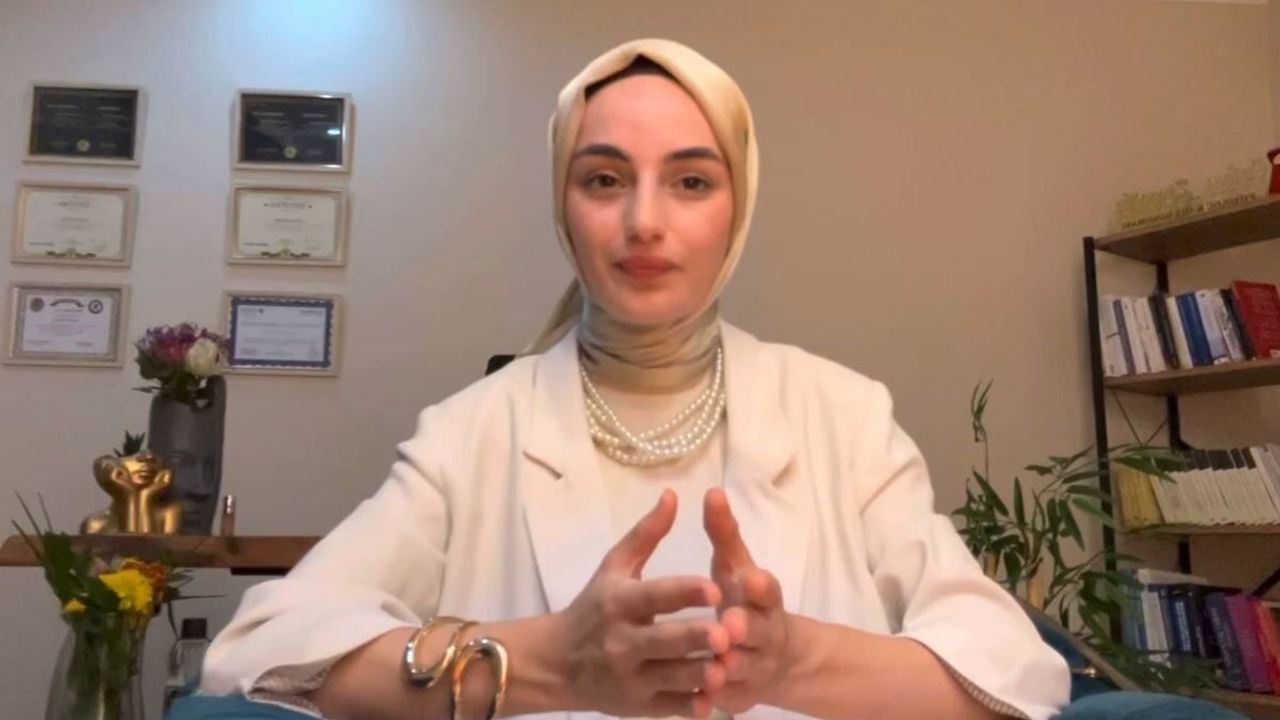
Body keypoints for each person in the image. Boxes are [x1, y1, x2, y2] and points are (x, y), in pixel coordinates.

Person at [189, 38, 1069, 720]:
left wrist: (792, 662)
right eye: (605, 179)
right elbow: (259, 650)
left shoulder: (844, 416)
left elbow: (1013, 666)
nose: (644, 221)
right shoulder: (472, 432)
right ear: (562, 205)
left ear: (739, 208)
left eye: (691, 180)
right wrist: (544, 663)